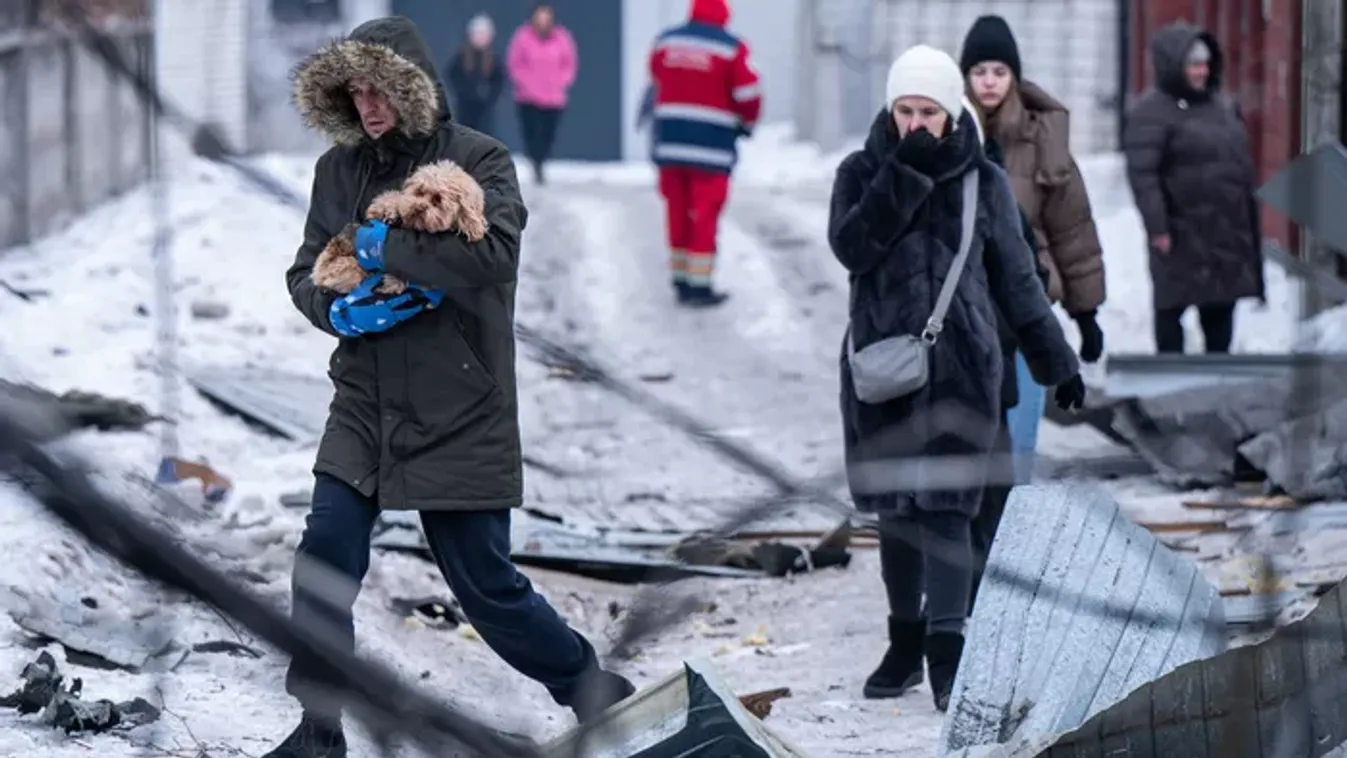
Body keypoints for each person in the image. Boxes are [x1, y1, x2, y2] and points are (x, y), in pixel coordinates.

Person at [267, 15, 632, 758]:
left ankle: (587, 685)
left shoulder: (482, 158)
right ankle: (317, 728)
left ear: (414, 88)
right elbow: (304, 270)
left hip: (459, 402)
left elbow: (493, 253)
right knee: (325, 555)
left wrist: (385, 244)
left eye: (381, 90)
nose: (368, 107)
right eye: (356, 92)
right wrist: (337, 307)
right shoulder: (337, 170)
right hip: (365, 399)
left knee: (484, 584)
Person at [828, 45, 1084, 711]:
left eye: (928, 111)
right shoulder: (859, 173)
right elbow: (851, 248)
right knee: (895, 511)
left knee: (946, 510)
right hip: (882, 371)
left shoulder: (982, 181)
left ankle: (947, 646)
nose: (915, 123)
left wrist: (1056, 363)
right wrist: (901, 178)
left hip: (962, 373)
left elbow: (1018, 282)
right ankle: (902, 639)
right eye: (904, 110)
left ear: (952, 112)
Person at [959, 14, 1107, 486]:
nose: (988, 82)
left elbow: (1071, 229)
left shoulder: (1044, 140)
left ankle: (1005, 536)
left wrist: (1086, 314)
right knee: (964, 438)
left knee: (1018, 441)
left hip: (1025, 308)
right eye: (979, 71)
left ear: (1014, 77)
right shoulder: (948, 134)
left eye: (999, 72)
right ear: (964, 76)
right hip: (961, 314)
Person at [961, 95, 1054, 614]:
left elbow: (1028, 283)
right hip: (932, 383)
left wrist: (1054, 354)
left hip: (993, 375)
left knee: (995, 489)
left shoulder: (996, 196)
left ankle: (991, 598)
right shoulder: (904, 194)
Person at [1123, 21, 1264, 354]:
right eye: (1193, 65)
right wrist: (1158, 227)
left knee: (1219, 309)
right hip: (1179, 233)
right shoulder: (1152, 113)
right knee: (1172, 307)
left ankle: (1216, 386)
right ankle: (1170, 388)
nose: (1201, 72)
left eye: (1205, 64)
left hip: (1224, 232)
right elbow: (1144, 175)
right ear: (1173, 65)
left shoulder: (1221, 106)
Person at [649, 0, 762, 307]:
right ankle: (699, 286)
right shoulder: (731, 48)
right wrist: (747, 123)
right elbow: (748, 93)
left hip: (670, 144)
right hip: (711, 148)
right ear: (724, 14)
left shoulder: (667, 41)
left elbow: (656, 75)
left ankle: (680, 277)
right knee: (704, 214)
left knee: (676, 210)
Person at [506, 3, 578, 185]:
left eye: (546, 16)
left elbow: (569, 63)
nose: (543, 20)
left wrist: (561, 82)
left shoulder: (562, 37)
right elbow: (515, 63)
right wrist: (525, 83)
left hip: (553, 97)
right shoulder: (523, 37)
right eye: (539, 16)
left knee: (548, 134)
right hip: (527, 97)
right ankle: (535, 163)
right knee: (531, 133)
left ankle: (542, 161)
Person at [446, 12, 504, 135]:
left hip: (485, 109)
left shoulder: (493, 60)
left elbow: (499, 80)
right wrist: (463, 92)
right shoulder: (461, 57)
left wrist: (490, 95)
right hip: (464, 108)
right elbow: (452, 76)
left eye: (484, 34)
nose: (480, 37)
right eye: (477, 33)